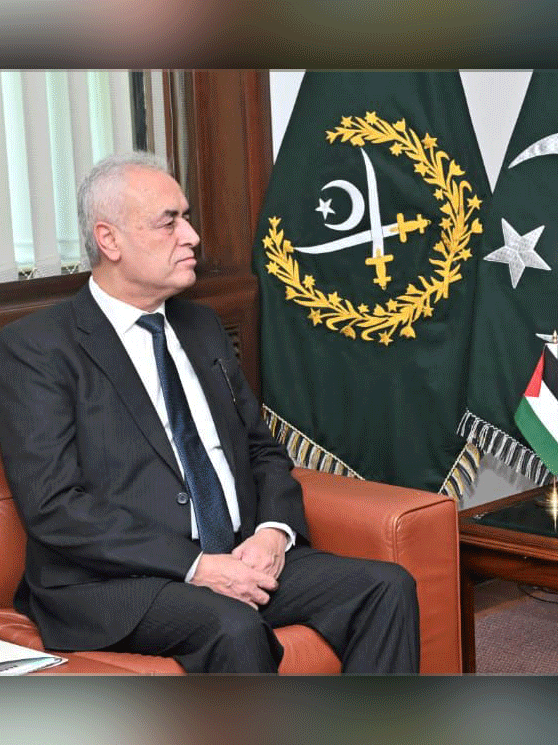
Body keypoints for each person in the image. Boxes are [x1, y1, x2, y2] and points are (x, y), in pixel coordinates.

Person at [0, 152, 419, 673]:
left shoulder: (201, 328)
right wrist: (196, 566)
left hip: (237, 552)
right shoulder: (37, 348)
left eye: (187, 216)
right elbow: (56, 507)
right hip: (119, 583)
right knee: (231, 624)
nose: (192, 236)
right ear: (109, 241)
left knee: (385, 587)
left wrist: (273, 532)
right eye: (169, 221)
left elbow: (261, 449)